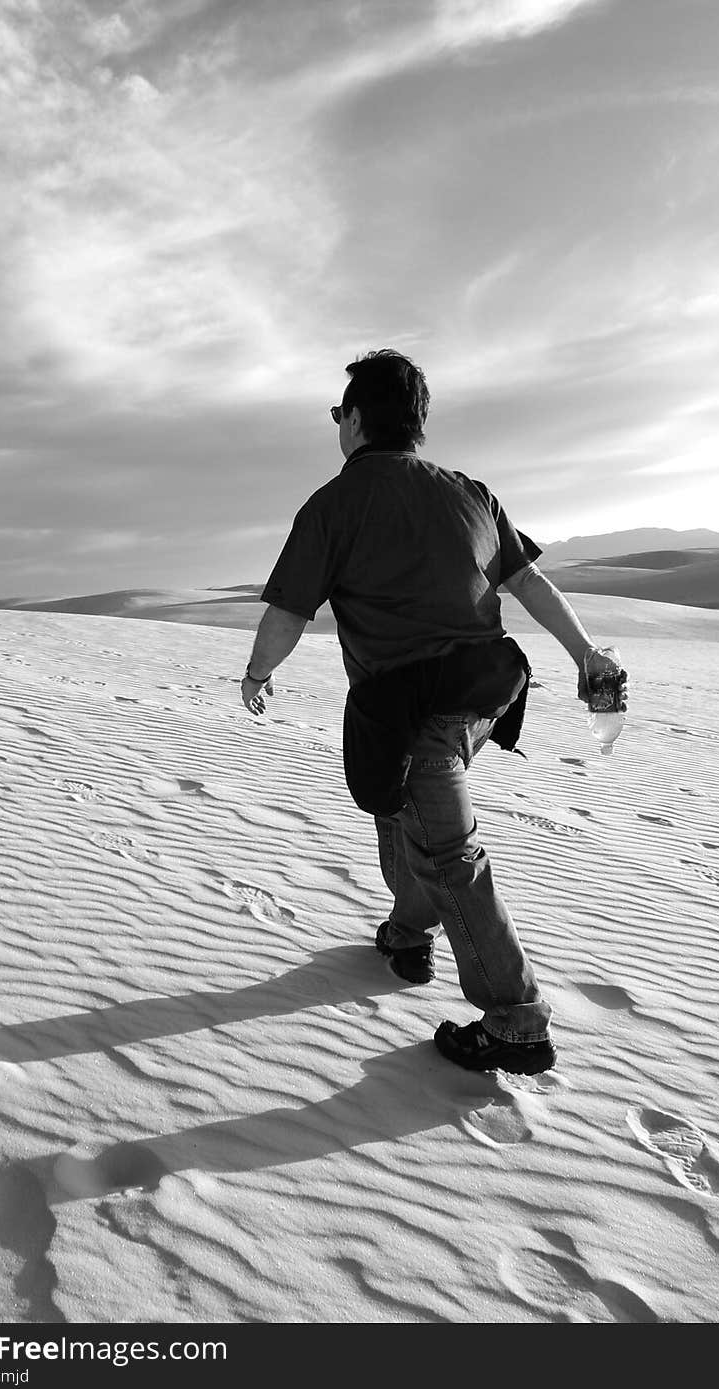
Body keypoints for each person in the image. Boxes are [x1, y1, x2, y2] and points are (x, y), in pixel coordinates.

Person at [240, 349, 627, 1075]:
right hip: (486, 694)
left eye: (338, 414)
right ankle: (406, 932)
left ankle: (516, 1018)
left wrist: (257, 673)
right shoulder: (470, 493)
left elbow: (290, 610)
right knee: (402, 800)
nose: (339, 426)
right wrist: (584, 654)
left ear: (355, 419)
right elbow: (531, 581)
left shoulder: (334, 505)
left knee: (449, 852)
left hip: (418, 709)